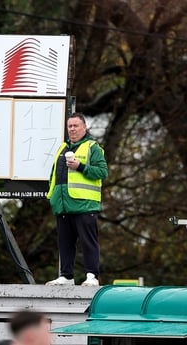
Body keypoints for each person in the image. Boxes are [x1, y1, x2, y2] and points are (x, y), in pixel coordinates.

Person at [45, 112, 108, 286]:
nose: (72, 129)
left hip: (85, 204)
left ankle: (92, 276)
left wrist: (80, 166)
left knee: (88, 242)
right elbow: (53, 175)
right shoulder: (62, 148)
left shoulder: (92, 147)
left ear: (84, 127)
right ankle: (66, 276)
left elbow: (103, 172)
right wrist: (51, 196)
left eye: (76, 126)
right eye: (69, 126)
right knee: (65, 243)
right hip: (63, 205)